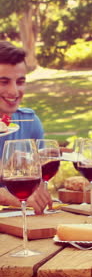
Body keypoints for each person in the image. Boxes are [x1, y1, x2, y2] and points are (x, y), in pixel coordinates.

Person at [0, 41, 52, 214]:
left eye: (20, 82)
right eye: (4, 82)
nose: (14, 91)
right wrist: (7, 196)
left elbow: (39, 179)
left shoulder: (29, 122)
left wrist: (39, 195)